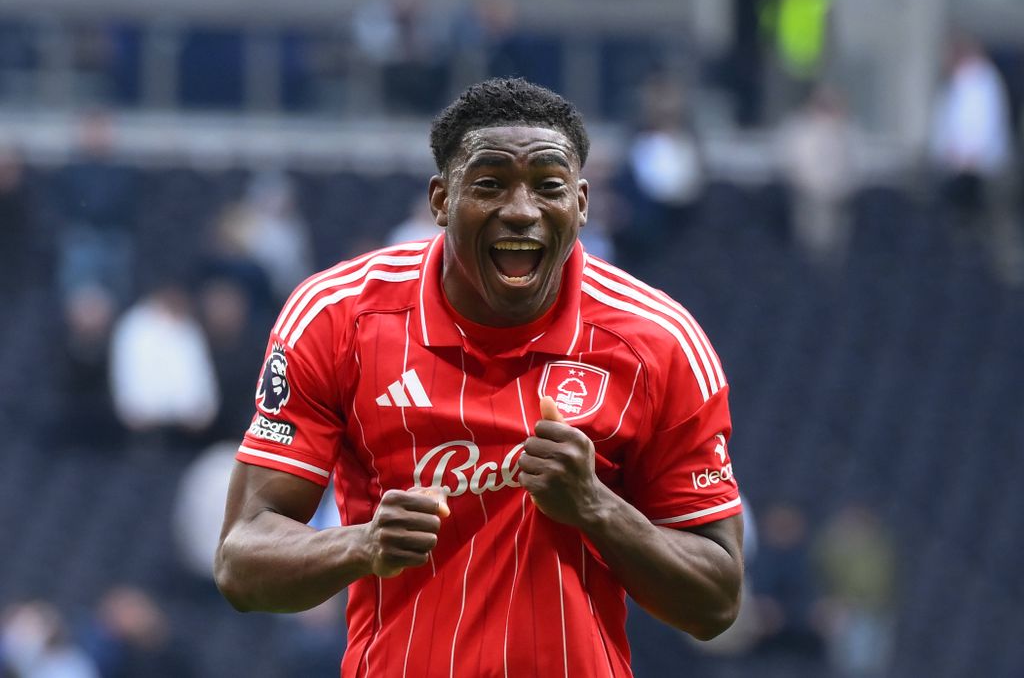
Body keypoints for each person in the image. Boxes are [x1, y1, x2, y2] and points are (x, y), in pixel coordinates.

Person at [215, 77, 743, 677]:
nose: (521, 211)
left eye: (549, 186)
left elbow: (716, 602)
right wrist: (361, 544)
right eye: (489, 184)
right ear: (440, 200)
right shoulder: (338, 319)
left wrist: (596, 506)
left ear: (582, 203)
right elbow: (240, 564)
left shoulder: (660, 343)